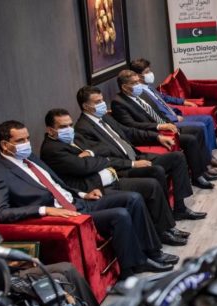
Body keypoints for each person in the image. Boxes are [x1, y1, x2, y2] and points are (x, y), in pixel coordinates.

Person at [0, 120, 175, 279]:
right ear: (5, 145)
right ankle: (132, 269)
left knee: (133, 198)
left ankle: (152, 252)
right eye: (20, 141)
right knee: (120, 215)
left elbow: (57, 184)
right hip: (67, 214)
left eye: (27, 139)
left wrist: (83, 194)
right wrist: (44, 210)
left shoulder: (31, 158)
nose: (26, 144)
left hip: (78, 201)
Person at [40, 108, 189, 246]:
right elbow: (84, 167)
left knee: (152, 185)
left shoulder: (75, 136)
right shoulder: (52, 149)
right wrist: (100, 159)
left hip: (111, 177)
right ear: (50, 130)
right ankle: (157, 240)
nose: (69, 129)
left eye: (70, 125)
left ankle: (166, 229)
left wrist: (91, 154)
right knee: (142, 190)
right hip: (95, 188)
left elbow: (104, 148)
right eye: (63, 127)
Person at [73, 85, 208, 221]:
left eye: (102, 100)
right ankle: (164, 218)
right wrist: (132, 164)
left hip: (136, 156)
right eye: (97, 102)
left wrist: (157, 137)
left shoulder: (104, 117)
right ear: (86, 106)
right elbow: (101, 159)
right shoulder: (82, 129)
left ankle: (180, 209)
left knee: (177, 157)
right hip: (122, 169)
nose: (102, 104)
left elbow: (128, 132)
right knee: (157, 170)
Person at [109, 70, 217, 189]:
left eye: (138, 81)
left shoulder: (142, 94)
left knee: (198, 130)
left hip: (165, 126)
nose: (138, 85)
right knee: (190, 139)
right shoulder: (118, 103)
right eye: (134, 83)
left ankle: (203, 170)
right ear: (124, 87)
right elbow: (132, 125)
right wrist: (159, 126)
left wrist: (170, 123)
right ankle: (197, 177)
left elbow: (158, 113)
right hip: (151, 133)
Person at [128, 58, 217, 170]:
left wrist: (183, 102)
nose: (150, 74)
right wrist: (173, 118)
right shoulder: (139, 94)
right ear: (138, 76)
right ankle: (207, 160)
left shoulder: (148, 86)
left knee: (208, 119)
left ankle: (209, 156)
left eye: (149, 70)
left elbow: (164, 97)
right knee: (201, 126)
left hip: (174, 114)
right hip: (168, 121)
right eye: (146, 72)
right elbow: (153, 114)